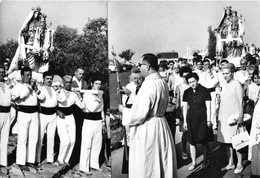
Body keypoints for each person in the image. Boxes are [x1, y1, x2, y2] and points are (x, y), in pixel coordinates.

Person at [119, 53, 177, 178]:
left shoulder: (148, 84)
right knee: (161, 161)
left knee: (148, 164)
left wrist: (124, 110)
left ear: (148, 66)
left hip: (148, 127)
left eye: (140, 65)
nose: (139, 67)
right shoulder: (162, 82)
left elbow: (139, 113)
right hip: (161, 124)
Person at [11, 67, 44, 171]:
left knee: (33, 138)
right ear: (22, 76)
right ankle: (21, 162)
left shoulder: (35, 86)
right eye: (27, 75)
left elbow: (42, 97)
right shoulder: (18, 86)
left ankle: (30, 160)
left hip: (34, 114)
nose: (29, 77)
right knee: (23, 138)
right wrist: (28, 88)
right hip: (23, 113)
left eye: (30, 75)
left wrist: (35, 89)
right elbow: (18, 97)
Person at [183, 72, 214, 171]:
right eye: (189, 82)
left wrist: (209, 120)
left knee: (204, 141)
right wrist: (184, 121)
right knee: (192, 142)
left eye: (193, 81)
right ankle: (193, 162)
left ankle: (205, 161)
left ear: (197, 80)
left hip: (203, 119)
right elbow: (184, 107)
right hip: (191, 119)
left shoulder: (205, 91)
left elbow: (208, 107)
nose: (192, 84)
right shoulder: (186, 92)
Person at [217, 63, 244, 174]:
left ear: (232, 73)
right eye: (223, 73)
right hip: (224, 117)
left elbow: (241, 102)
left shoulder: (237, 84)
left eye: (227, 73)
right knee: (227, 141)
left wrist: (240, 117)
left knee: (237, 141)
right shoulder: (224, 85)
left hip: (234, 117)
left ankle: (240, 164)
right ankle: (231, 163)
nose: (225, 76)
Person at [36, 71, 66, 166]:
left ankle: (50, 159)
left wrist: (58, 90)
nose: (49, 81)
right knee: (40, 138)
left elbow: (61, 100)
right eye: (47, 79)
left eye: (50, 79)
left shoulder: (54, 89)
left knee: (51, 137)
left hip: (53, 116)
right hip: (42, 115)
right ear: (43, 79)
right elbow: (39, 100)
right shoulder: (40, 88)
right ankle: (37, 159)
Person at [78, 77, 106, 175]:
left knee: (97, 145)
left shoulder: (100, 94)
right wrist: (97, 99)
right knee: (87, 145)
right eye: (96, 83)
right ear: (92, 84)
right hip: (89, 121)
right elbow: (91, 108)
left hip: (98, 121)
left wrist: (103, 123)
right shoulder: (87, 94)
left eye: (100, 84)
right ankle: (83, 167)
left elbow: (102, 109)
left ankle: (94, 165)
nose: (98, 85)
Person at [55, 75, 83, 166]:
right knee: (65, 140)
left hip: (70, 117)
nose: (68, 84)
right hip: (61, 117)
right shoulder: (58, 91)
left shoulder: (73, 94)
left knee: (72, 140)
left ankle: (66, 160)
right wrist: (57, 111)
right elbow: (59, 101)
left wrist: (79, 96)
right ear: (63, 83)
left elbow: (82, 106)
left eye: (70, 82)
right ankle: (59, 159)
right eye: (66, 82)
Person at [175, 66, 192, 160]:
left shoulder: (193, 84)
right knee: (185, 133)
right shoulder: (179, 87)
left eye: (187, 76)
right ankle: (184, 150)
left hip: (193, 110)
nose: (186, 78)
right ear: (181, 76)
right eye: (184, 76)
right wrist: (177, 115)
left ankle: (193, 150)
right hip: (183, 111)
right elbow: (177, 102)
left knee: (193, 131)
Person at [200, 59, 219, 130]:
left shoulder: (213, 72)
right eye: (205, 64)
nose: (207, 66)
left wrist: (210, 74)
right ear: (203, 66)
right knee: (206, 108)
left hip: (212, 92)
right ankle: (207, 123)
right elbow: (202, 84)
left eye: (208, 64)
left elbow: (215, 82)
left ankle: (214, 124)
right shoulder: (201, 74)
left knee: (213, 109)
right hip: (205, 93)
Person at [0, 65, 11, 174]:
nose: (2, 74)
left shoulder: (7, 86)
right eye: (0, 72)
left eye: (3, 72)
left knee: (4, 139)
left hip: (7, 113)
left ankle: (3, 162)